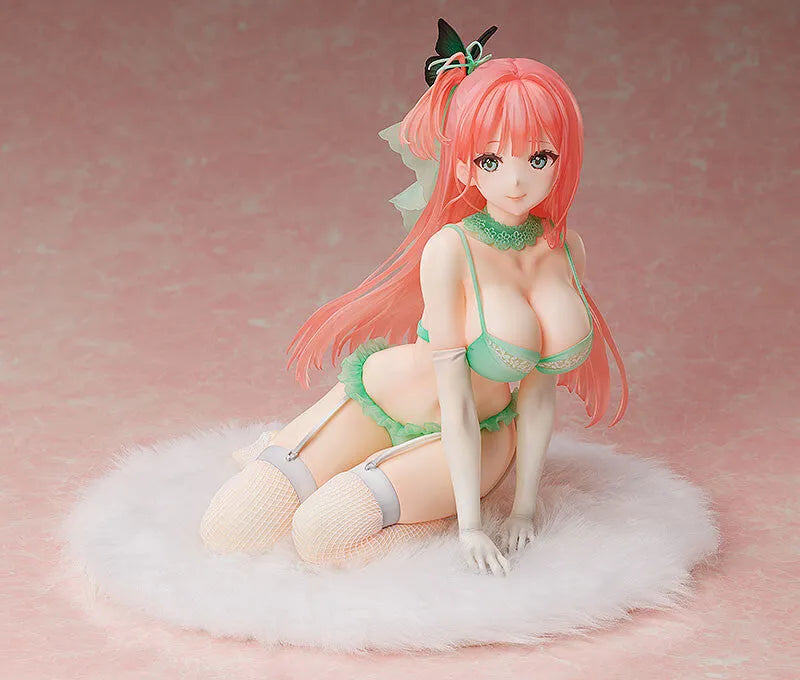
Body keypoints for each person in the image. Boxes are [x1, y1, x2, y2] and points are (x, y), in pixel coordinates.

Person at [199, 19, 628, 576]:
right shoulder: (452, 249)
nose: (516, 181)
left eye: (538, 158)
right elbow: (452, 392)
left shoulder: (566, 250)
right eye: (492, 161)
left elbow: (538, 393)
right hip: (385, 399)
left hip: (480, 436)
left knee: (322, 534)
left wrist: (518, 510)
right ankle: (309, 459)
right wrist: (470, 525)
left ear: (562, 158)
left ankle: (412, 514)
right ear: (465, 163)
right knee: (234, 527)